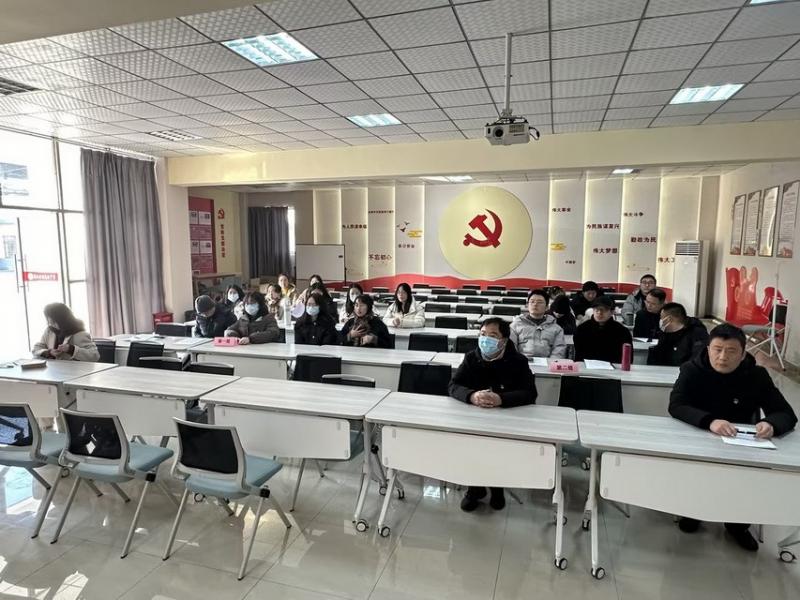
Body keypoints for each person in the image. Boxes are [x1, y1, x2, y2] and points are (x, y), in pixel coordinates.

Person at [669, 324, 797, 551]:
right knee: (697, 474)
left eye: (731, 351)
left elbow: (785, 413)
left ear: (743, 353)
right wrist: (709, 421)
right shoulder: (692, 370)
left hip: (741, 443)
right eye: (717, 349)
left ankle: (738, 525)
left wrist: (771, 424)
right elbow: (677, 405)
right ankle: (693, 512)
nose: (722, 357)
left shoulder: (756, 375)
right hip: (701, 437)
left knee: (746, 479)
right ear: (708, 349)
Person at [449, 317, 537, 512]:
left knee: (497, 448)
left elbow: (530, 393)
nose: (485, 339)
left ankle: (497, 488)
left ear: (503, 340)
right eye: (482, 334)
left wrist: (501, 399)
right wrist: (471, 396)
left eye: (492, 335)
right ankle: (475, 489)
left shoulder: (518, 361)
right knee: (471, 446)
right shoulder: (471, 357)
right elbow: (453, 385)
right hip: (474, 418)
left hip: (506, 419)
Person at [573, 296, 633, 363]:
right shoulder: (582, 329)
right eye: (596, 309)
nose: (599, 312)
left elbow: (628, 359)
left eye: (604, 310)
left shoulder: (622, 332)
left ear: (612, 312)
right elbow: (578, 357)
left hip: (614, 368)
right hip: (586, 367)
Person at [32, 303, 100, 362]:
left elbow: (94, 356)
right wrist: (48, 352)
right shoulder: (49, 331)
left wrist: (71, 349)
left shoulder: (80, 333)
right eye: (49, 320)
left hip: (74, 371)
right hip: (52, 370)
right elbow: (36, 348)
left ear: (62, 319)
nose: (50, 323)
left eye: (53, 321)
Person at [510, 289, 567, 359]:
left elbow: (559, 348)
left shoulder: (556, 328)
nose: (535, 304)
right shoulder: (515, 325)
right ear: (527, 305)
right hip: (522, 362)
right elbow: (511, 347)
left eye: (540, 302)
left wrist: (551, 362)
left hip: (548, 363)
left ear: (547, 307)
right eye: (532, 302)